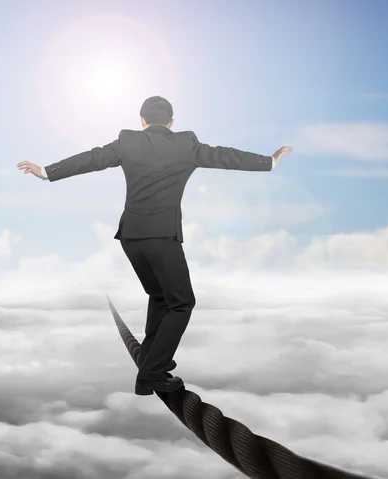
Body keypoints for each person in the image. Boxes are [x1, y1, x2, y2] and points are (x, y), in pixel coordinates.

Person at [17, 96, 293, 396]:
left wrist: (47, 171)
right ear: (172, 123)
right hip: (162, 237)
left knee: (160, 295)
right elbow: (225, 157)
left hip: (131, 237)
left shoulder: (127, 142)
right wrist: (269, 161)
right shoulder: (186, 144)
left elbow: (92, 158)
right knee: (182, 303)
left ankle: (151, 356)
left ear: (142, 120)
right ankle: (151, 376)